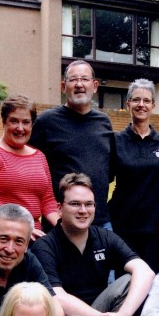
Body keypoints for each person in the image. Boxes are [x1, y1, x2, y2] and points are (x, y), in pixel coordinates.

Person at [30, 173, 155, 316]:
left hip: (100, 313)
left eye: (89, 204)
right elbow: (58, 298)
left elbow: (145, 271)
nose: (83, 210)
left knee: (133, 281)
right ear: (59, 208)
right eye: (75, 204)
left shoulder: (103, 236)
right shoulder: (45, 246)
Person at [0, 94, 60, 252]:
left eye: (26, 122)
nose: (20, 128)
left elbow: (48, 200)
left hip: (31, 240)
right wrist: (19, 224)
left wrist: (63, 226)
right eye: (14, 121)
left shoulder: (39, 156)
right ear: (3, 121)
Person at [29, 60, 114, 228]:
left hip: (100, 220)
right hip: (61, 221)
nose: (79, 84)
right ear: (63, 85)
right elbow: (31, 167)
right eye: (73, 79)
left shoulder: (104, 122)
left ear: (95, 85)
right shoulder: (46, 122)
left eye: (84, 79)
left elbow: (108, 171)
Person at [108, 78, 159, 273]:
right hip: (123, 226)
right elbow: (104, 180)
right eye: (136, 100)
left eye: (146, 101)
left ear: (153, 105)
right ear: (128, 104)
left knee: (154, 282)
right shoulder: (116, 141)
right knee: (124, 283)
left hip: (155, 230)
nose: (141, 105)